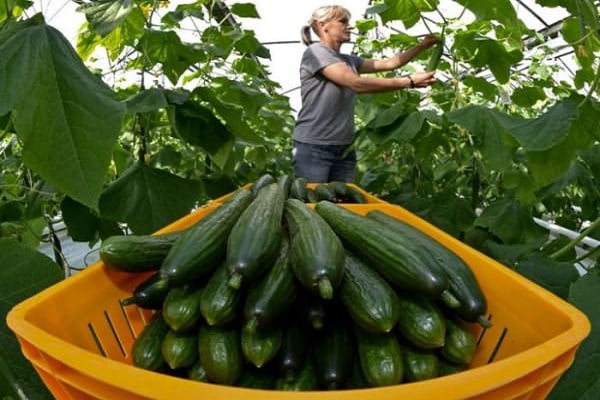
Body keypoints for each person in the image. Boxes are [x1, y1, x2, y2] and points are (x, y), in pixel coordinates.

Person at [292, 5, 439, 183]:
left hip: (344, 147)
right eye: (343, 21)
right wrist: (410, 82)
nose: (350, 26)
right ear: (324, 25)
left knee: (343, 206)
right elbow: (356, 83)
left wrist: (421, 46)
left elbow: (390, 64)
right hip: (314, 146)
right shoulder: (315, 53)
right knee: (311, 204)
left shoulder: (349, 60)